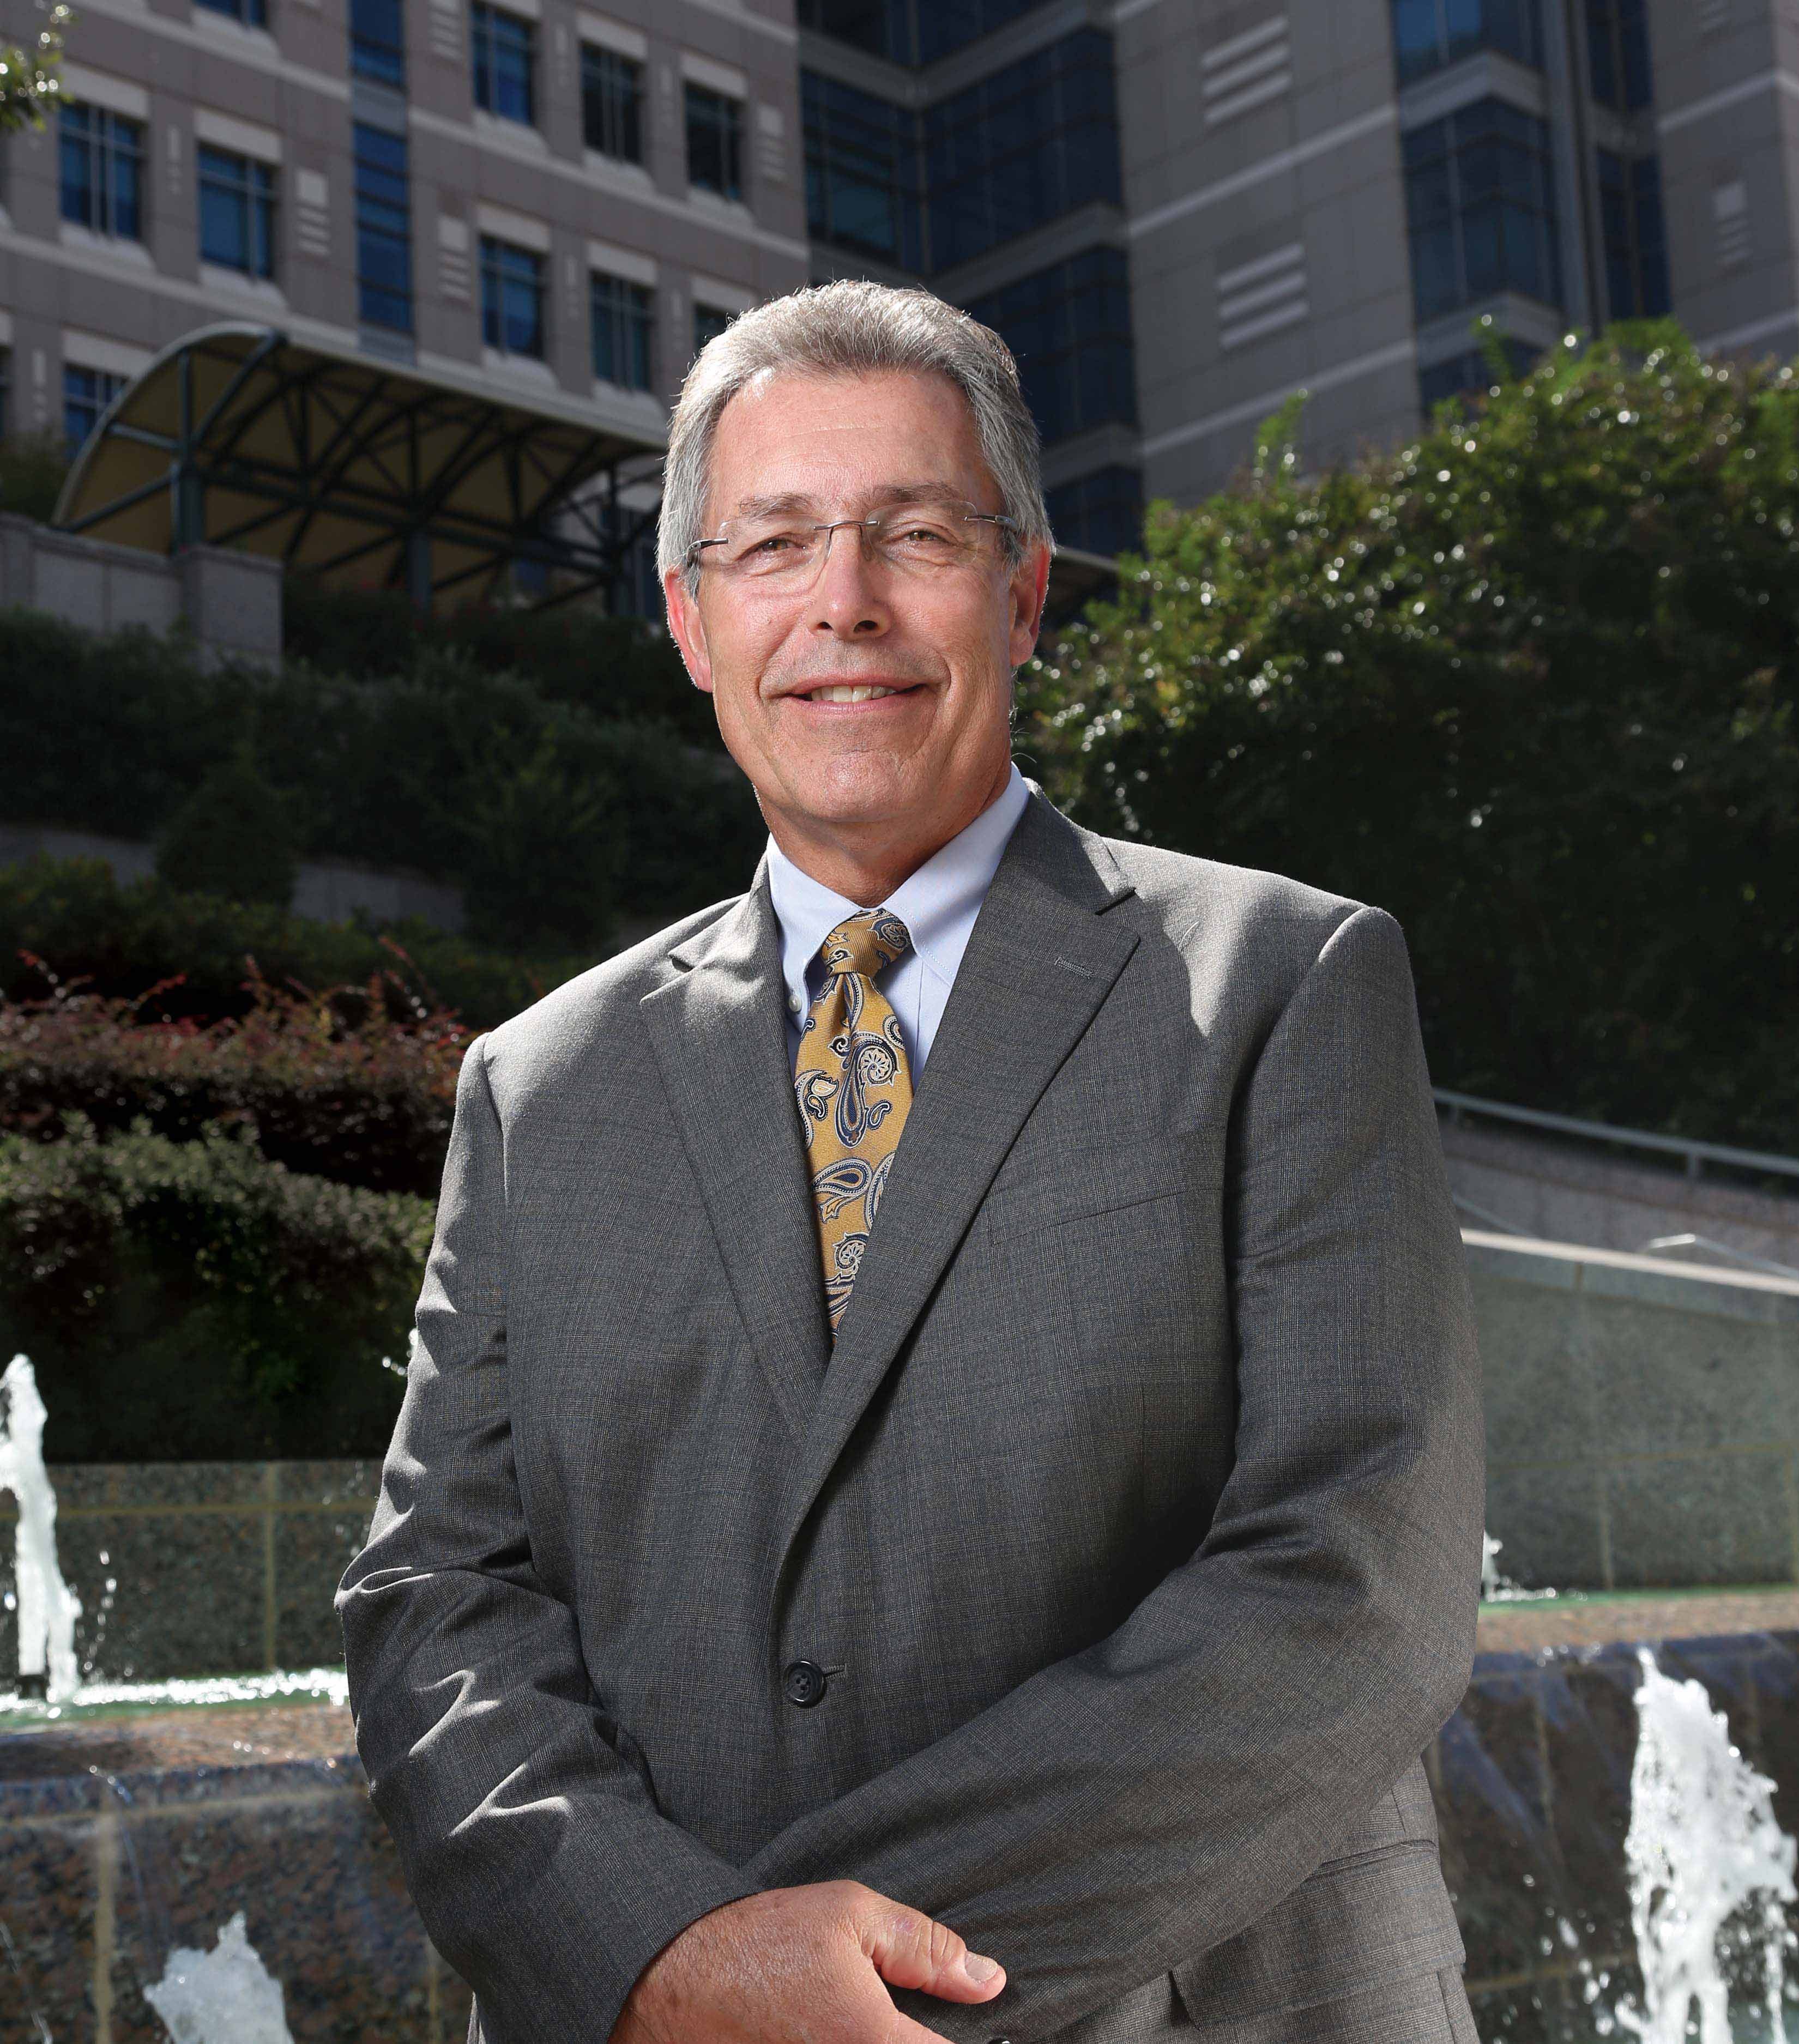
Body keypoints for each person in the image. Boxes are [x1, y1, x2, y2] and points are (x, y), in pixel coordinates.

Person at [337, 280, 1485, 2044]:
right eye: (772, 544)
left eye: (915, 534)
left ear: (1022, 592)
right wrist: (655, 1954)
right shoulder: (537, 1086)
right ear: (690, 619)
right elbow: (437, 1597)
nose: (843, 602)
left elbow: (1360, 1580)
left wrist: (806, 1979)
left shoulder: (1283, 984)